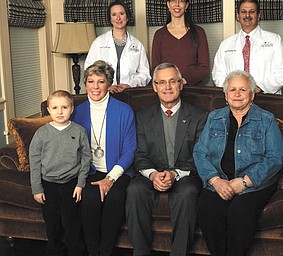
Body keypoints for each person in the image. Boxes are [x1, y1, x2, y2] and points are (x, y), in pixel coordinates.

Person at [193, 70, 283, 256]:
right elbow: (199, 152)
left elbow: (276, 158)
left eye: (242, 89)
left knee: (239, 212)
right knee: (208, 209)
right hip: (220, 181)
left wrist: (244, 182)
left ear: (251, 95)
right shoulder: (214, 118)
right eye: (232, 89)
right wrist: (215, 180)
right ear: (225, 96)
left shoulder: (265, 119)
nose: (237, 94)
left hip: (255, 184)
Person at [126, 62, 207, 256]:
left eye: (172, 81)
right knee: (134, 189)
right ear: (154, 87)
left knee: (187, 192)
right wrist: (153, 175)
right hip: (153, 172)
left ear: (181, 84)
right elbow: (141, 155)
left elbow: (200, 155)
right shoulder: (143, 117)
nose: (167, 87)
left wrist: (174, 174)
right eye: (162, 82)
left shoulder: (199, 116)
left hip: (185, 174)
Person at [72, 60, 136, 256]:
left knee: (115, 198)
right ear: (85, 84)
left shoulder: (124, 110)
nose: (95, 87)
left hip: (118, 169)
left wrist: (110, 179)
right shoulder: (77, 111)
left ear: (109, 84)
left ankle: (106, 251)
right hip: (89, 169)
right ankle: (93, 252)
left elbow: (129, 149)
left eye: (101, 82)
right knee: (89, 199)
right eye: (91, 81)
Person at [29, 90, 91, 256]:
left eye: (64, 107)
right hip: (48, 184)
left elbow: (86, 158)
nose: (60, 111)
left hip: (71, 183)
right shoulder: (41, 133)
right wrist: (37, 188)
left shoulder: (79, 131)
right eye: (55, 107)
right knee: (52, 221)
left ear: (72, 109)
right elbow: (34, 162)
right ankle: (55, 249)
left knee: (71, 221)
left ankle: (75, 250)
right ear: (48, 110)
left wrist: (80, 184)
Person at [212, 0, 283, 94]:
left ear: (258, 16)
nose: (247, 15)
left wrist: (260, 87)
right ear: (237, 16)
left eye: (252, 11)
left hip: (266, 96)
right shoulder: (226, 44)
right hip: (235, 100)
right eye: (243, 12)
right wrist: (233, 91)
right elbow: (218, 73)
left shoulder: (274, 40)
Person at [84, 0, 151, 94]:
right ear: (110, 19)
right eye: (114, 14)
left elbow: (145, 74)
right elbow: (89, 70)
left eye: (122, 14)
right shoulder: (99, 43)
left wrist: (129, 85)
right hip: (104, 93)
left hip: (129, 93)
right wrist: (106, 85)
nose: (118, 18)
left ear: (127, 17)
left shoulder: (137, 45)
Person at [152, 0, 210, 85]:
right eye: (173, 1)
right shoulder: (159, 34)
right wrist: (169, 83)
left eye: (181, 1)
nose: (177, 4)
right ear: (168, 4)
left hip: (193, 89)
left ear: (186, 5)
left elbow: (204, 67)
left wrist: (184, 81)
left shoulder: (199, 32)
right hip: (167, 90)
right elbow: (155, 68)